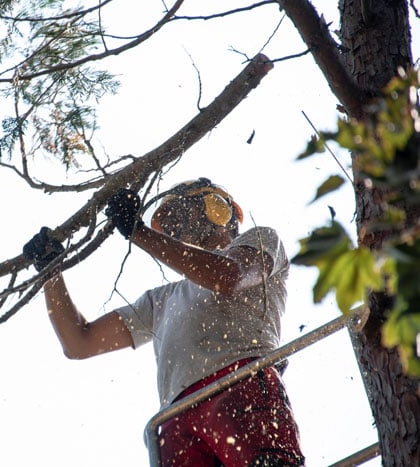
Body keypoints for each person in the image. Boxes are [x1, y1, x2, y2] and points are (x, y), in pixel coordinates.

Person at [23, 178, 305, 466]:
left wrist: (139, 233)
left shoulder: (263, 241)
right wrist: (51, 272)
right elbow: (79, 342)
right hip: (175, 417)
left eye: (181, 216)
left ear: (216, 209)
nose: (175, 229)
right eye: (169, 224)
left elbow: (227, 276)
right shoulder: (162, 301)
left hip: (240, 383)